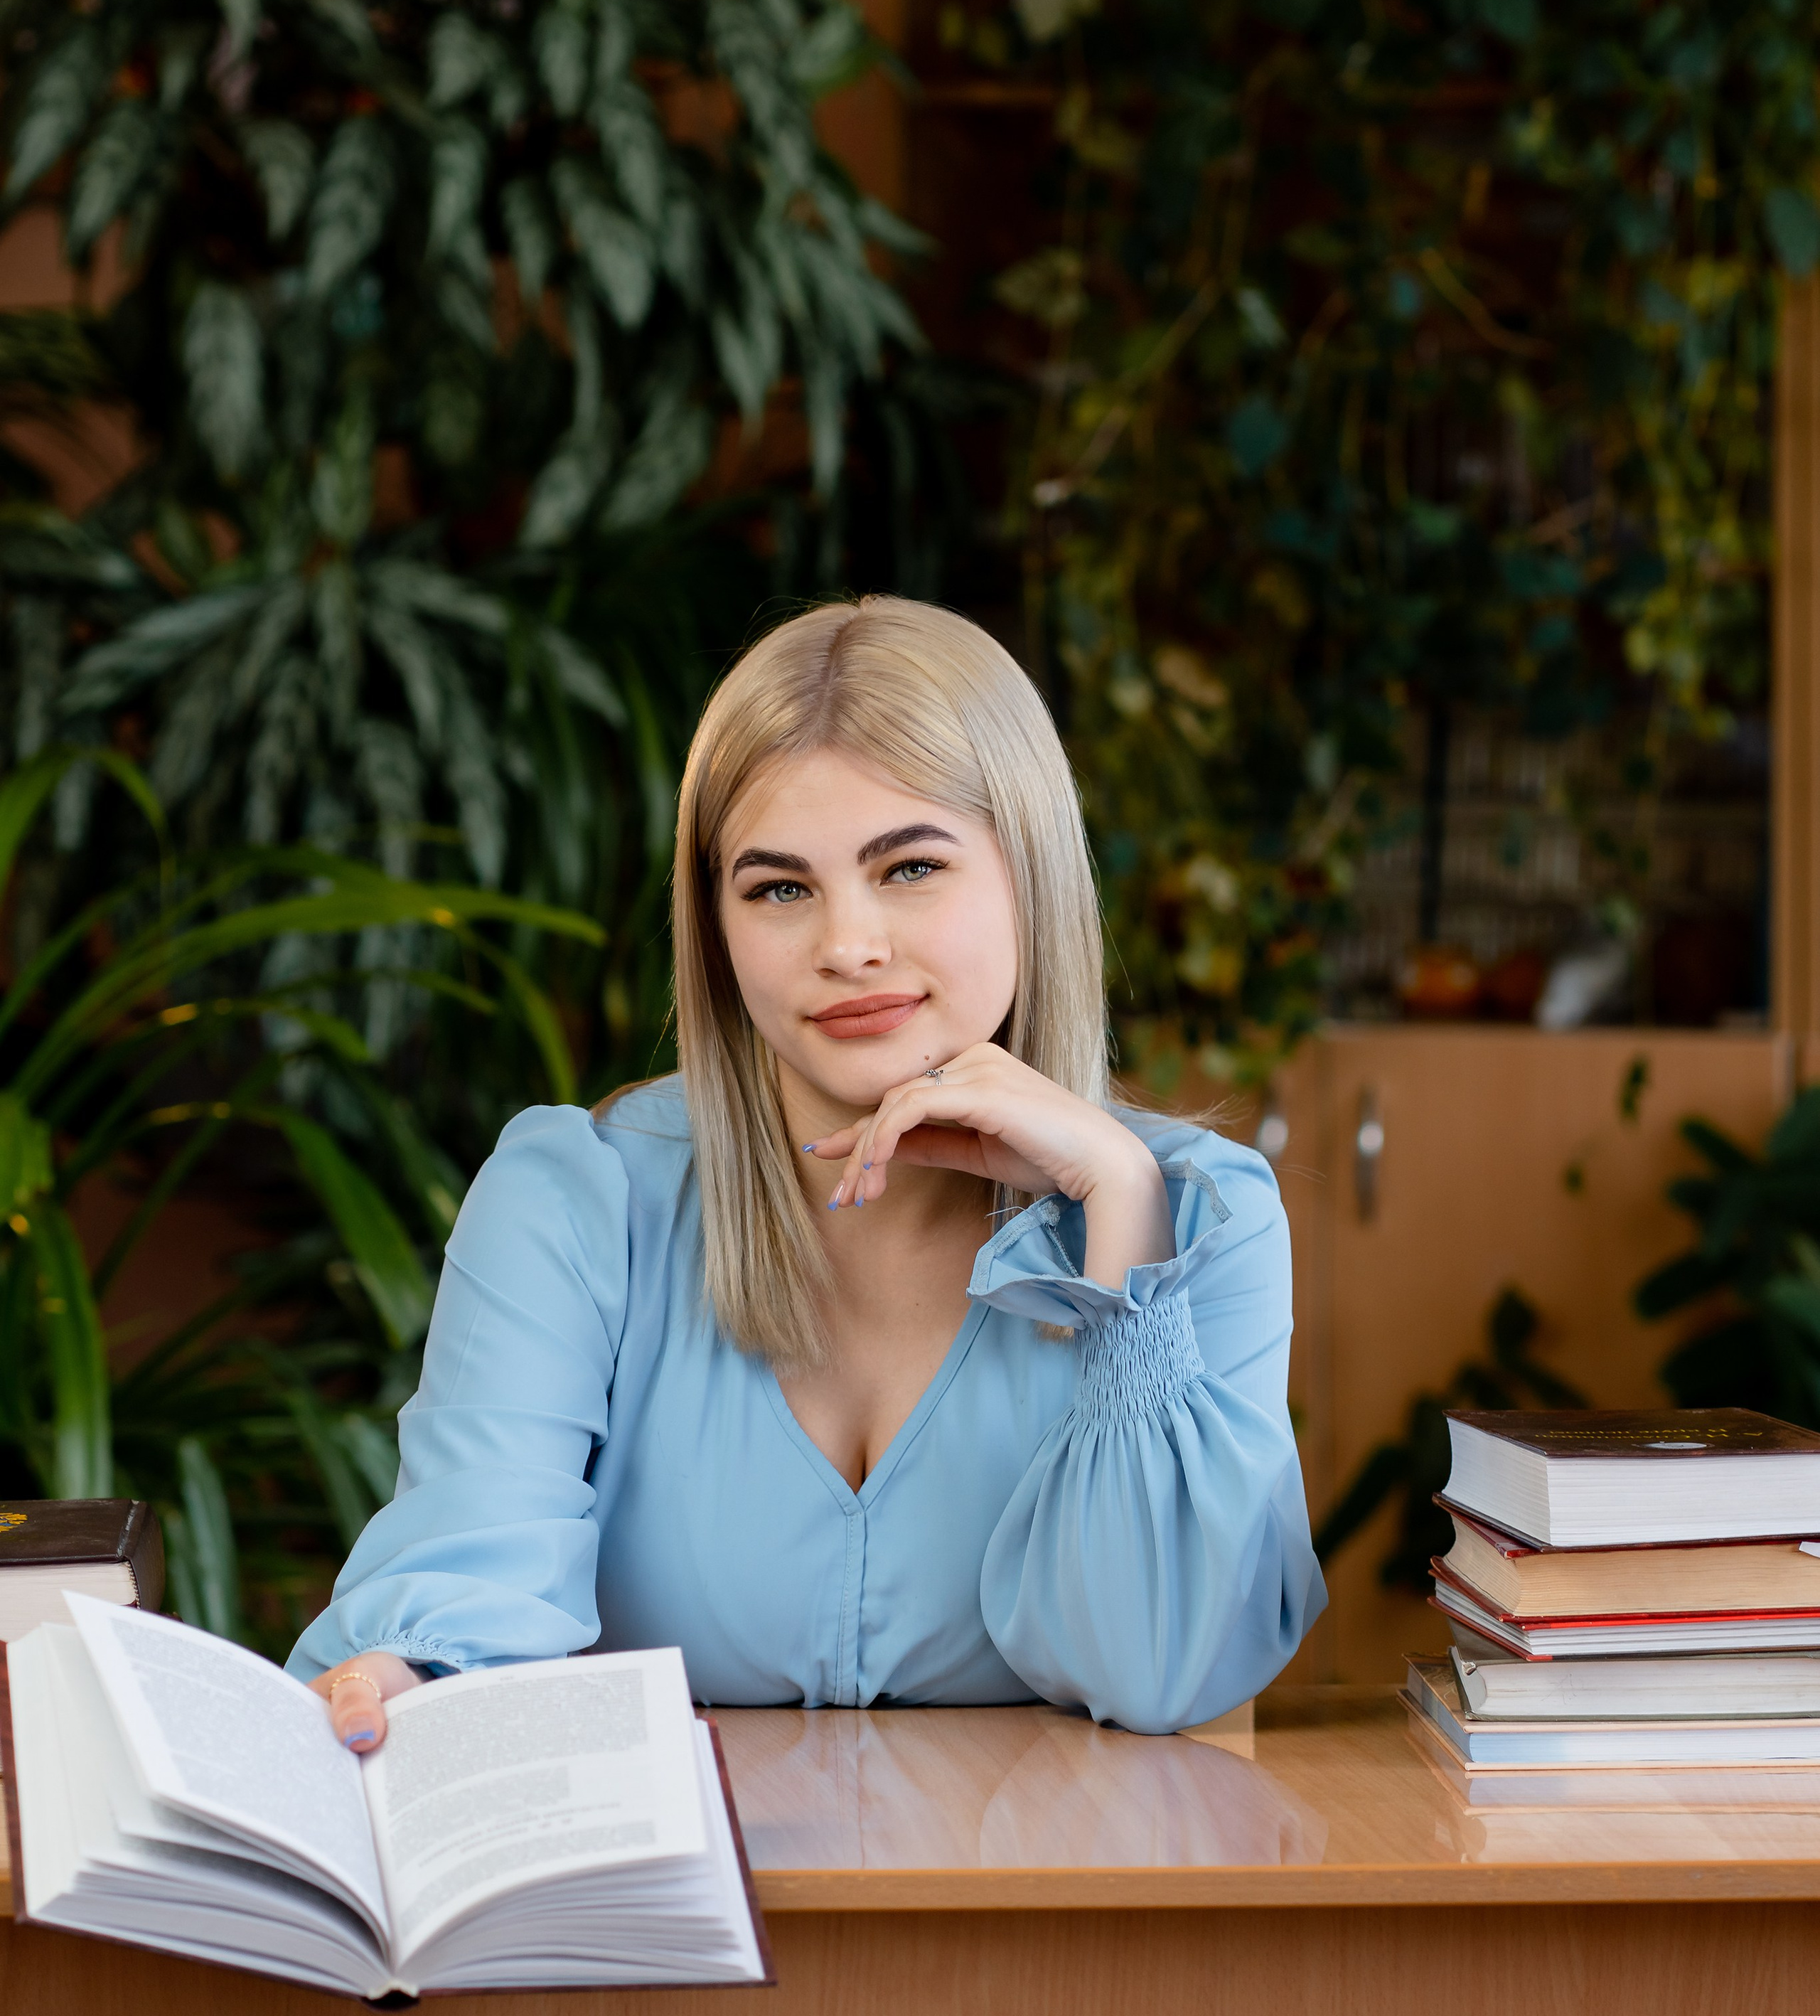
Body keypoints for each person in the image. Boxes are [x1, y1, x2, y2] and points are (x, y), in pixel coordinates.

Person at [290, 597, 1324, 1745]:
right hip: (682, 1911)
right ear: (717, 929)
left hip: (1050, 1912)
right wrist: (402, 1673)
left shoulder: (1198, 1218)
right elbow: (466, 1572)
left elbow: (1164, 1674)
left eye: (912, 868)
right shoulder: (576, 1202)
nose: (847, 945)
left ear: (1029, 873)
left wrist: (1120, 1224)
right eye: (779, 888)